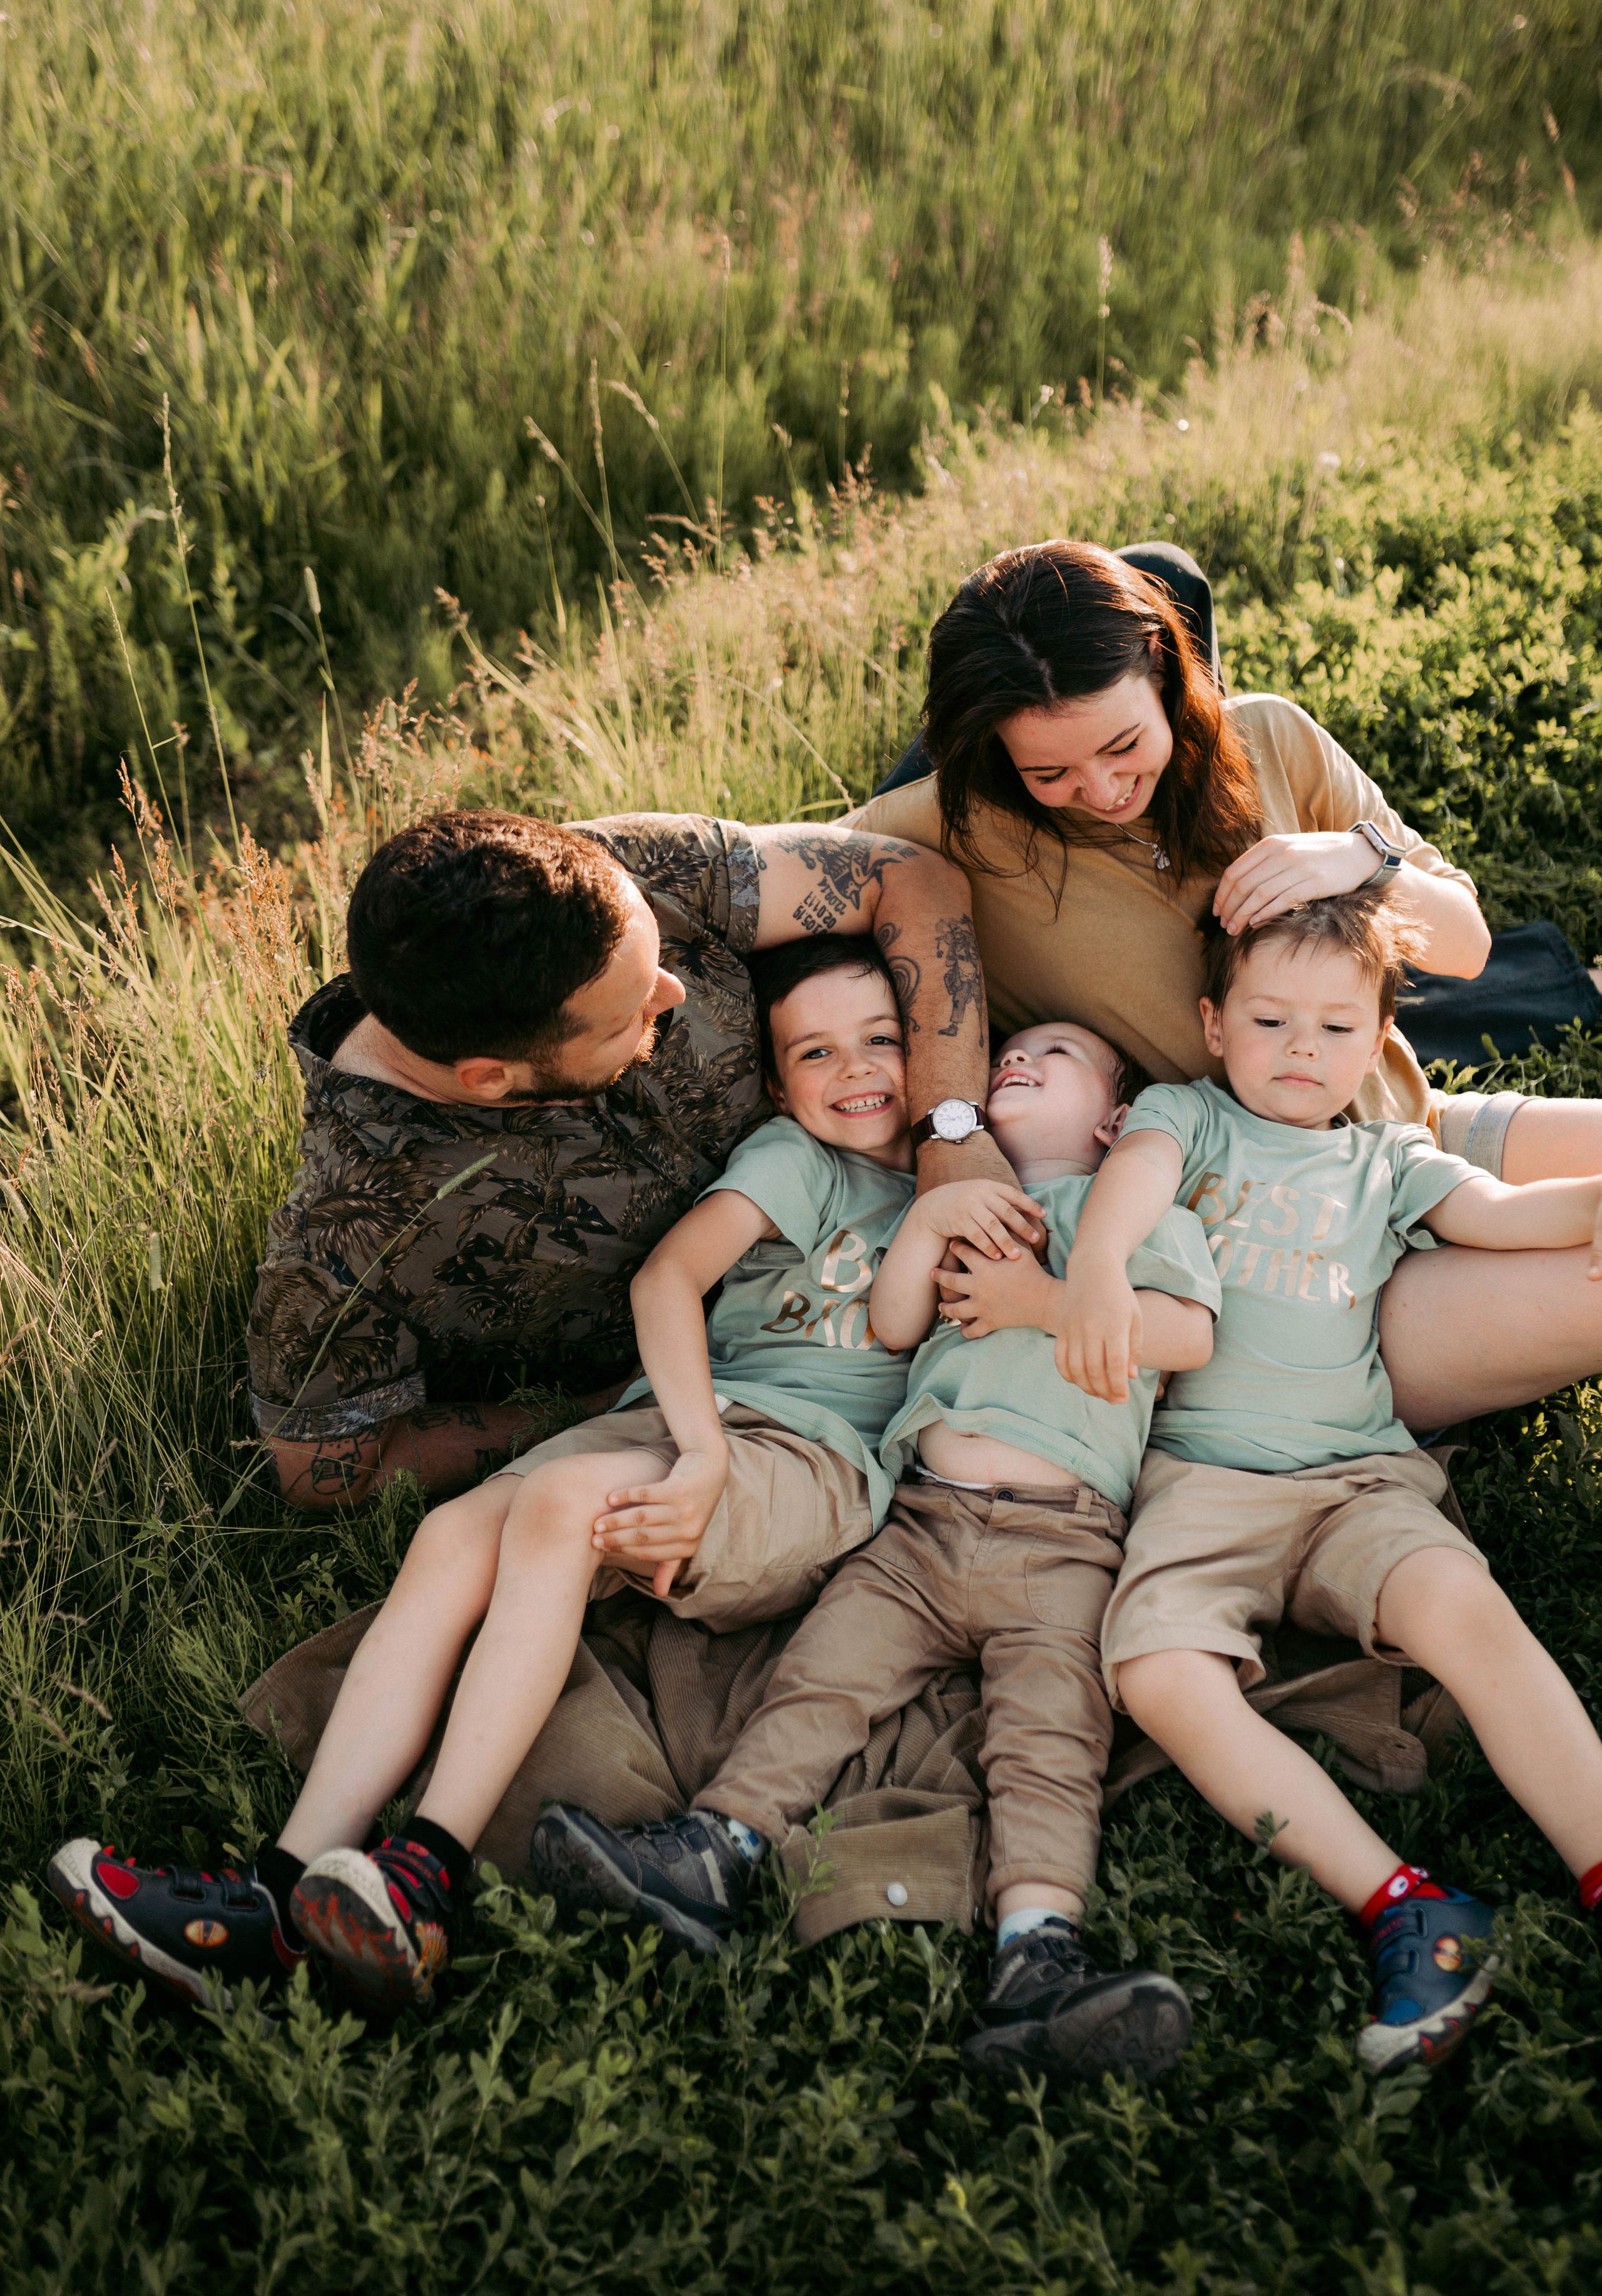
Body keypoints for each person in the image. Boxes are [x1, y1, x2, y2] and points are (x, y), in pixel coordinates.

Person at [49, 936, 1036, 2013]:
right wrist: (697, 1447)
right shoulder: (797, 1159)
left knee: (562, 1501)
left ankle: (426, 1871)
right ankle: (279, 1895)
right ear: (775, 1081)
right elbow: (668, 1281)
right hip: (690, 1424)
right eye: (816, 1052)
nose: (855, 1072)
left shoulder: (976, 1182)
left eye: (882, 1041)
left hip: (817, 1465)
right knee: (454, 1535)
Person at [527, 1018, 1221, 2086]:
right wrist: (938, 1216)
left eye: (1058, 1054)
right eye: (1007, 1056)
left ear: (1115, 1117)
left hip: (1064, 1543)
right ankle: (716, 1849)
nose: (1019, 1061)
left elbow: (1187, 1337)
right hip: (923, 1523)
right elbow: (896, 1327)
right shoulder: (964, 1213)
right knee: (821, 1679)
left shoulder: (1128, 1224)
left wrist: (1045, 1297)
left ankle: (1038, 1954)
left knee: (1048, 1740)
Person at [853, 539, 1602, 1435]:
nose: (1099, 787)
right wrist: (949, 1125)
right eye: (1048, 773)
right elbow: (745, 870)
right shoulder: (948, 826)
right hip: (1286, 1264)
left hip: (1413, 1138)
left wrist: (1358, 858)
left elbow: (1468, 947)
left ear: (1166, 673)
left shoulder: (1271, 739)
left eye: (1123, 743)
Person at [1048, 889, 1602, 2073]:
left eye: (1339, 1030)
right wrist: (1096, 1264)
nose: (1304, 1051)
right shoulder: (1184, 1118)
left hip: (1356, 1477)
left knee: (1464, 1611)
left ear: (1379, 1042)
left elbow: (1500, 1215)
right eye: (1271, 1020)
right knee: (1154, 1671)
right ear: (1212, 1023)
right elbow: (1134, 1184)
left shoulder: (1390, 1156)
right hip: (1199, 1487)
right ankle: (1405, 1903)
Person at [247, 806, 1007, 1512]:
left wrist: (950, 1130)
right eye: (630, 1009)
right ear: (489, 1078)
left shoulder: (597, 880)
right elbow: (319, 1470)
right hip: (768, 1401)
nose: (673, 992)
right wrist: (611, 1402)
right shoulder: (350, 1226)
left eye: (656, 958)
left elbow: (914, 875)